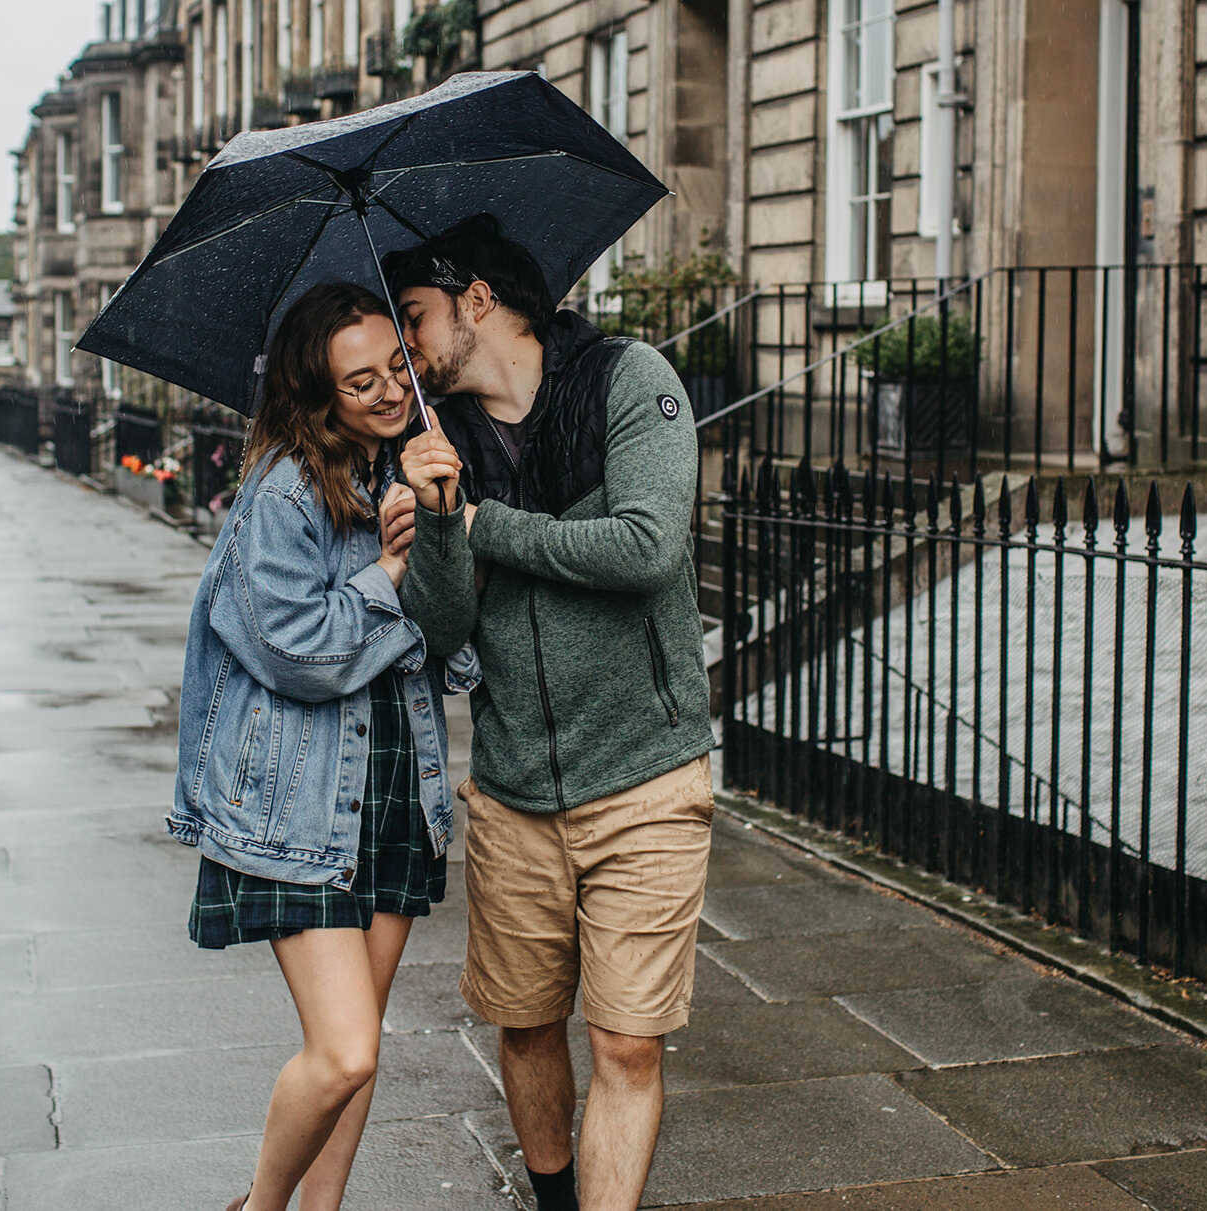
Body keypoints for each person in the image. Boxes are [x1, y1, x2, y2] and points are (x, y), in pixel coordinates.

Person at [389, 214, 713, 1211]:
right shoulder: (436, 445)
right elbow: (442, 632)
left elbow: (646, 546)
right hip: (517, 786)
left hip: (646, 776)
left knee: (625, 1036)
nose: (406, 352)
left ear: (478, 297)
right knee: (525, 1025)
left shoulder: (627, 381)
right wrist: (440, 525)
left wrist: (489, 523)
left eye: (415, 320)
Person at [166, 281, 451, 1211]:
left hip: (397, 788)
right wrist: (389, 574)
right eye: (357, 380)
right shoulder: (285, 485)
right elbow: (294, 649)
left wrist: (443, 524)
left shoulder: (406, 470)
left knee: (359, 1048)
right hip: (301, 800)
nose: (385, 392)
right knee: (346, 1049)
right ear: (319, 394)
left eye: (394, 369)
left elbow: (457, 639)